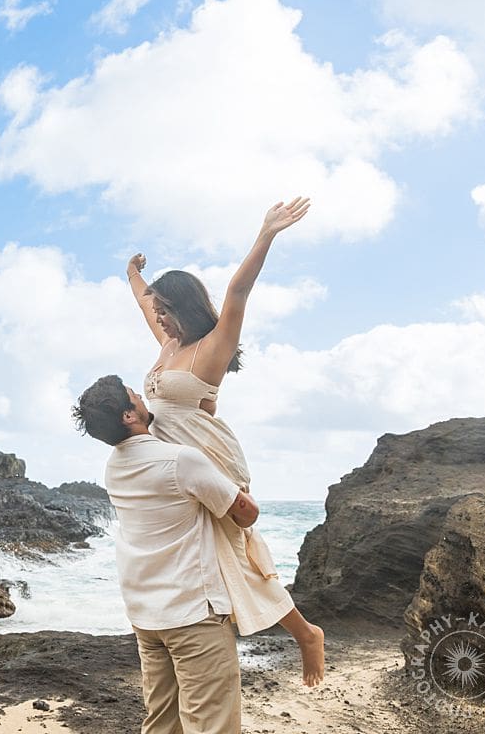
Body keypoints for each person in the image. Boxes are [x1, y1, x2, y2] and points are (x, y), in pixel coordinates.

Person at [125, 196, 324, 687]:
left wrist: (267, 232)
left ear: (184, 309)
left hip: (211, 459)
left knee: (234, 554)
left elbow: (238, 290)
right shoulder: (169, 346)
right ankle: (276, 629)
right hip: (180, 464)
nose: (160, 319)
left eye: (165, 311)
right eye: (157, 312)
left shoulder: (211, 349)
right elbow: (143, 305)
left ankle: (305, 635)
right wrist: (132, 276)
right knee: (219, 558)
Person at [72, 376, 258, 734]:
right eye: (134, 395)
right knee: (212, 726)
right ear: (129, 415)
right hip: (192, 613)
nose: (142, 396)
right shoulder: (180, 460)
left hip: (145, 614)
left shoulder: (114, 466)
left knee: (161, 724)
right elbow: (245, 513)